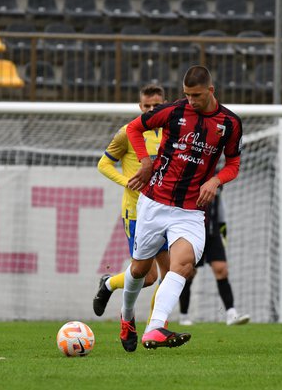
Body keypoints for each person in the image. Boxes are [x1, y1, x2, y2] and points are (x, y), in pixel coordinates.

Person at [121, 65, 243, 351]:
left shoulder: (230, 123)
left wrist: (216, 179)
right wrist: (146, 161)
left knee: (184, 265)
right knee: (140, 271)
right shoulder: (174, 111)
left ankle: (155, 328)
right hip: (154, 203)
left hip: (190, 210)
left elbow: (234, 163)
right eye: (187, 95)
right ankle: (127, 316)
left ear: (211, 91)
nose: (191, 101)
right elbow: (134, 128)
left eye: (196, 95)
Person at [93, 85, 170, 326]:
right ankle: (108, 284)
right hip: (137, 211)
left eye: (156, 106)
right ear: (140, 107)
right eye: (146, 106)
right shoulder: (128, 132)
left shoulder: (172, 132)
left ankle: (156, 325)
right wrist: (128, 181)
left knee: (170, 274)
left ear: (164, 105)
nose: (151, 110)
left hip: (166, 210)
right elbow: (104, 164)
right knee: (147, 277)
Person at [179, 189, 250, 326]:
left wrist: (223, 238)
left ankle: (231, 313)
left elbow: (221, 213)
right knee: (189, 272)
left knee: (221, 269)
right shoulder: (192, 181)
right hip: (194, 233)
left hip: (213, 235)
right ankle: (184, 315)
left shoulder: (216, 185)